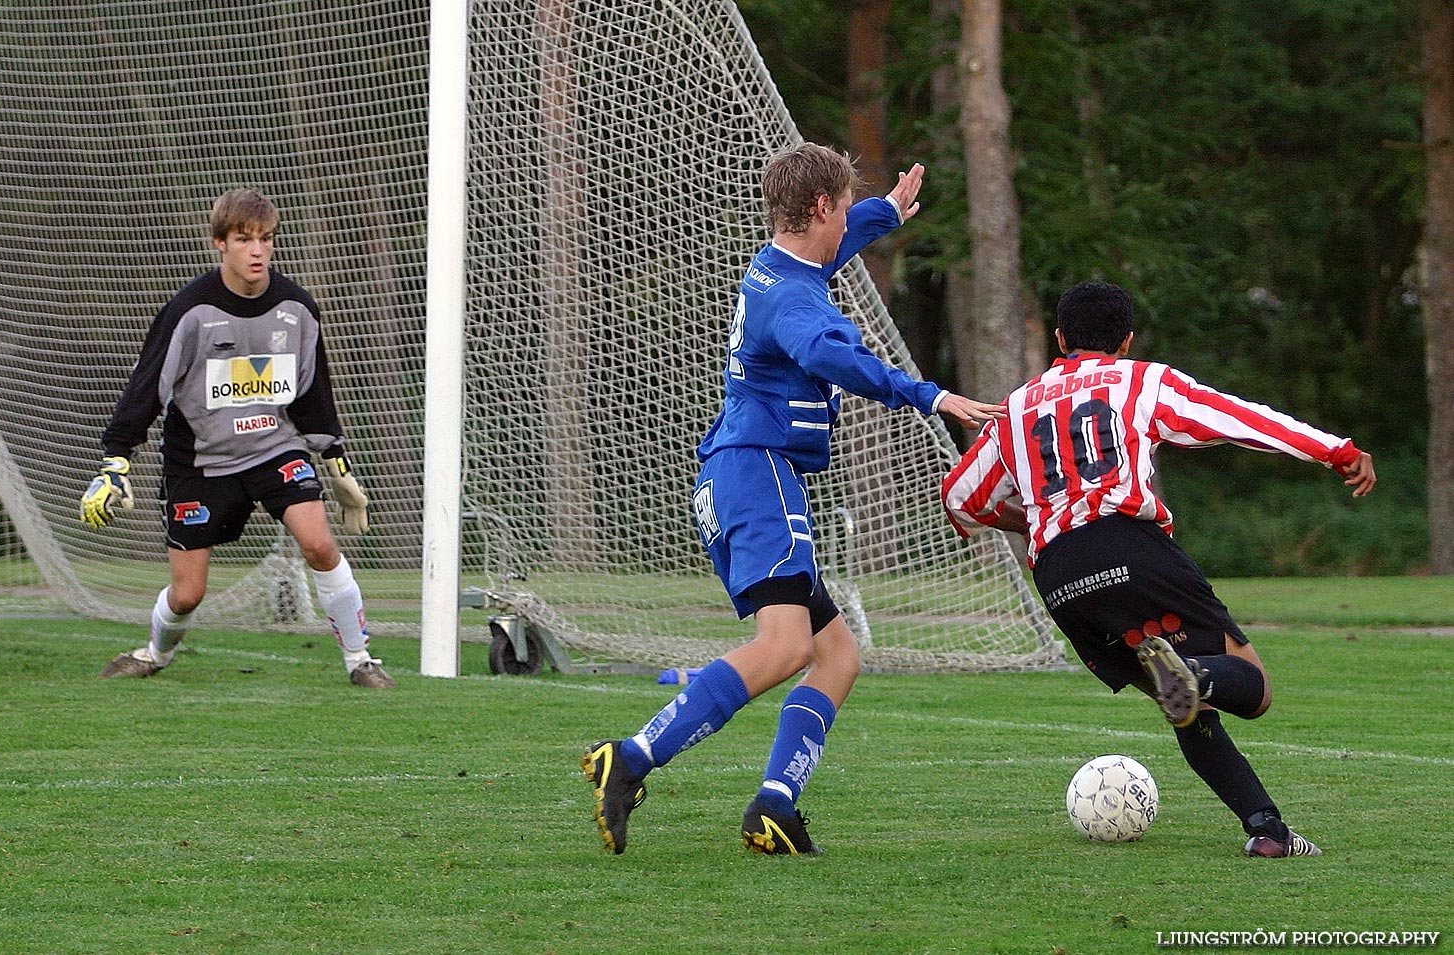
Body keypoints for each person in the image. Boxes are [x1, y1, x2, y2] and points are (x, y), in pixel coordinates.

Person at [581, 143, 1005, 855]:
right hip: (759, 474)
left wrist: (885, 213)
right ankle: (629, 757)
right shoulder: (796, 300)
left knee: (836, 655)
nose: (848, 225)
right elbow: (830, 355)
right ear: (817, 209)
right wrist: (925, 393)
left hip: (743, 470)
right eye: (842, 210)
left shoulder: (784, 261)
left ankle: (774, 804)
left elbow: (839, 244)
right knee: (784, 647)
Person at [941, 279, 1376, 858]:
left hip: (1060, 576)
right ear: (1125, 341)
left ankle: (1267, 831)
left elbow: (961, 497)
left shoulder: (1015, 407)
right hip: (1132, 547)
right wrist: (1337, 450)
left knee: (1185, 708)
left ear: (1059, 337)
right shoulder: (1141, 381)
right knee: (1253, 688)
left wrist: (1031, 523)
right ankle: (1194, 673)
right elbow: (1242, 420)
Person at [79, 188, 394, 689]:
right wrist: (115, 460)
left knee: (318, 545)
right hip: (201, 463)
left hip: (275, 449)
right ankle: (156, 653)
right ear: (219, 244)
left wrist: (335, 462)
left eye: (266, 239)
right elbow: (147, 388)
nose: (257, 250)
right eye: (244, 239)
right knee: (188, 595)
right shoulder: (190, 311)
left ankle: (361, 661)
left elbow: (312, 391)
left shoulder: (296, 308)